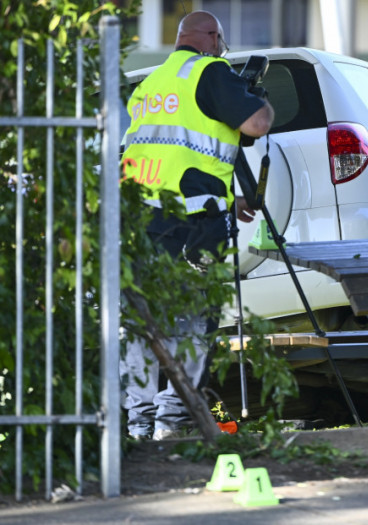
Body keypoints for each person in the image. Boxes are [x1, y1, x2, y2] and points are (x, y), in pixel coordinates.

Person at [119, 10, 274, 441]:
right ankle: (174, 419)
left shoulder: (148, 84)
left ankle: (137, 422)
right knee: (193, 322)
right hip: (194, 225)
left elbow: (172, 154)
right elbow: (256, 124)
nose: (222, 51)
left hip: (142, 220)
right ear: (210, 37)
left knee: (141, 322)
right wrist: (258, 96)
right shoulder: (211, 71)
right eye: (221, 43)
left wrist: (233, 197)